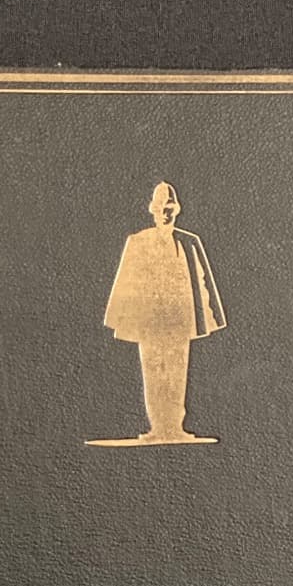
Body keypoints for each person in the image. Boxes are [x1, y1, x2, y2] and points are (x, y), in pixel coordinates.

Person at [103, 182, 226, 443]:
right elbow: (126, 281)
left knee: (177, 373)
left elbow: (203, 280)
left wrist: (210, 315)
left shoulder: (189, 242)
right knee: (153, 372)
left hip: (180, 319)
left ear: (177, 209)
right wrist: (120, 318)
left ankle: (175, 427)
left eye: (169, 207)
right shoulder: (137, 242)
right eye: (160, 207)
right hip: (149, 319)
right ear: (152, 209)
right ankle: (157, 428)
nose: (164, 212)